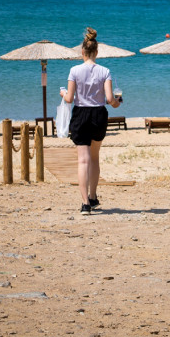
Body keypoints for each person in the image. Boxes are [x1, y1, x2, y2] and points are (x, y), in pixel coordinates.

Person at [60, 28, 121, 215]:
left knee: (83, 161)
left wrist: (62, 92)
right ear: (97, 52)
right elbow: (110, 99)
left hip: (80, 115)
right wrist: (117, 103)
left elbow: (69, 98)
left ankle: (85, 203)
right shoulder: (105, 71)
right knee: (94, 158)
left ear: (82, 52)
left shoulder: (74, 70)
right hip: (98, 115)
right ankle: (93, 196)